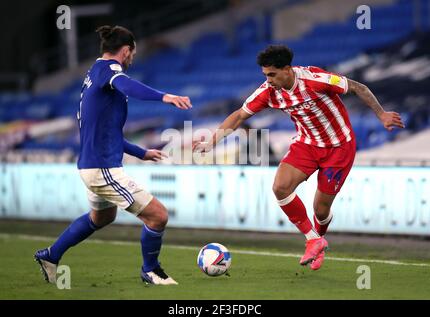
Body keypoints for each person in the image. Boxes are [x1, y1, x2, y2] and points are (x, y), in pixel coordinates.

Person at [193, 45, 404, 270]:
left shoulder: (315, 79)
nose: (268, 80)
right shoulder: (268, 92)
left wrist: (381, 114)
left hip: (339, 148)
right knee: (280, 187)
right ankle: (313, 240)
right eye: (265, 75)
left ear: (287, 69)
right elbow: (238, 116)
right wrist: (211, 142)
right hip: (307, 145)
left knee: (321, 209)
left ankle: (319, 242)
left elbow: (357, 87)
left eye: (272, 74)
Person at [34, 25, 192, 285]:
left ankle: (51, 255)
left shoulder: (93, 76)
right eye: (132, 54)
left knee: (103, 217)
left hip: (91, 165)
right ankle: (150, 271)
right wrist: (166, 96)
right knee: (158, 215)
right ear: (127, 50)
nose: (132, 59)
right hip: (102, 169)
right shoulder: (109, 71)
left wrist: (141, 152)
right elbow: (127, 86)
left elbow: (107, 133)